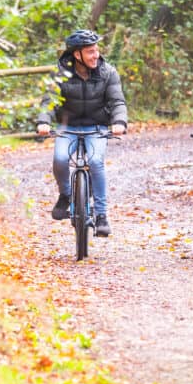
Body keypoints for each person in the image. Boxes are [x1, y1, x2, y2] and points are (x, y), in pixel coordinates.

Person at [36, 29, 127, 237]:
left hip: (97, 128)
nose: (96, 55)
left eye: (96, 50)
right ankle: (66, 195)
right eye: (90, 52)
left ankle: (102, 214)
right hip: (68, 128)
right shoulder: (60, 74)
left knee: (95, 162)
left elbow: (117, 101)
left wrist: (119, 121)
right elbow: (48, 101)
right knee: (59, 159)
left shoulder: (107, 72)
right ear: (77, 55)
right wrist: (43, 122)